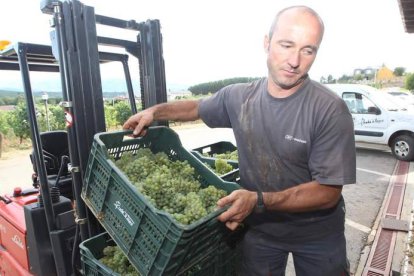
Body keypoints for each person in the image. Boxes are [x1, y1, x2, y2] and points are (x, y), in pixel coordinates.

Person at [123, 5, 356, 276]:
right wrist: (155, 111)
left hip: (317, 235)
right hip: (261, 230)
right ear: (267, 43)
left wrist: (259, 200)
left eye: (308, 50)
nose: (295, 60)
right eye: (286, 45)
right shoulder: (240, 97)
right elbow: (196, 108)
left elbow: (328, 192)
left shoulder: (329, 109)